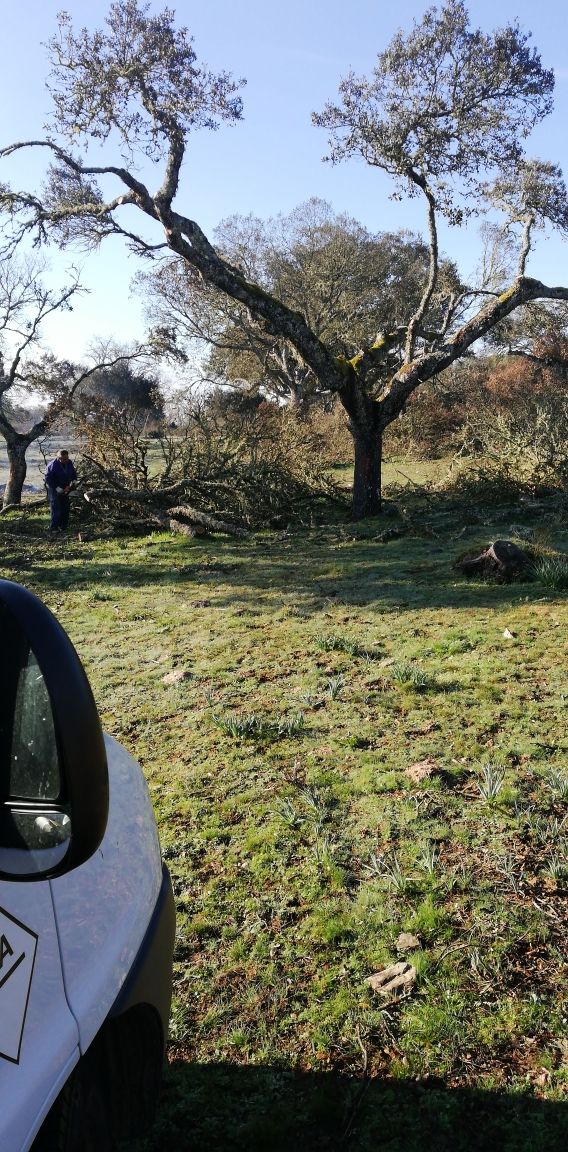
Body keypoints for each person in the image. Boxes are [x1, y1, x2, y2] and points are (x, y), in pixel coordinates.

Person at [45, 449, 78, 531]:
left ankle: (63, 526)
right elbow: (48, 479)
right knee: (56, 508)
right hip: (54, 489)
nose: (65, 460)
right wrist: (56, 487)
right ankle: (54, 528)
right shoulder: (52, 465)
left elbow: (73, 473)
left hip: (66, 487)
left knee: (66, 507)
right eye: (63, 459)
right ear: (58, 458)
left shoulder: (69, 462)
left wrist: (73, 482)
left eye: (67, 458)